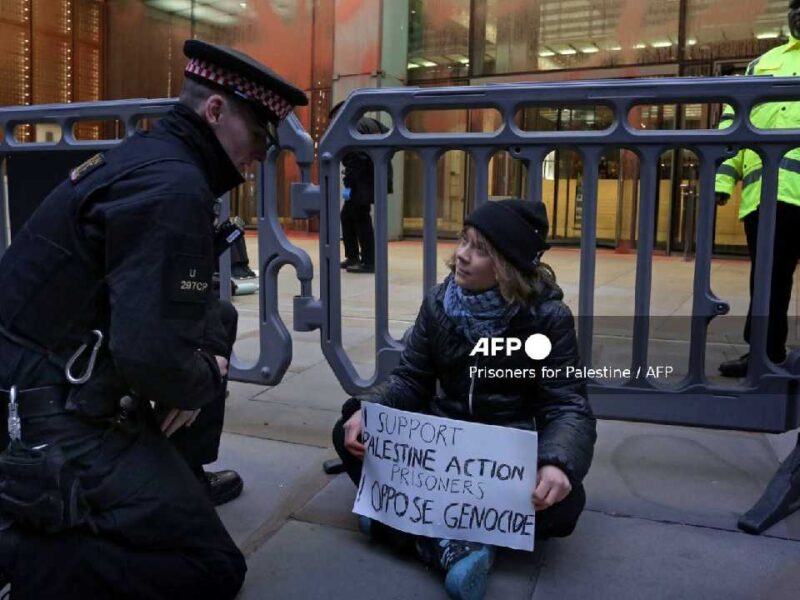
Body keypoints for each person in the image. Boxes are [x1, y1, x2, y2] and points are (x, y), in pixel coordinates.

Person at [0, 39, 307, 598]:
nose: (261, 156)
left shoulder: (152, 158)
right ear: (214, 111)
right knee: (210, 566)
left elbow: (180, 308)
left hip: (55, 373)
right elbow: (152, 360)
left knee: (214, 319)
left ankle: (172, 481)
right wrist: (203, 378)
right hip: (48, 412)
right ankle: (20, 554)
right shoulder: (173, 187)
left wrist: (197, 363)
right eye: (259, 137)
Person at [331, 199, 597, 600]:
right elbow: (410, 378)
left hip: (503, 457)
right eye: (463, 241)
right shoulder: (439, 303)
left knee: (565, 504)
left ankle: (405, 527)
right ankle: (457, 541)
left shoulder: (547, 319)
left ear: (507, 265)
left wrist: (557, 463)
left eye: (480, 249)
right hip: (442, 448)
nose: (461, 256)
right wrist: (370, 409)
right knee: (348, 434)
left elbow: (567, 405)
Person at [716, 0, 800, 378]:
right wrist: (721, 178)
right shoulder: (763, 63)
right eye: (794, 7)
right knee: (768, 281)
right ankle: (765, 356)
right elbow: (733, 123)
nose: (797, 14)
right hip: (768, 196)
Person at [330, 101, 393, 274]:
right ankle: (353, 256)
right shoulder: (370, 122)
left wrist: (350, 181)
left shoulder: (349, 125)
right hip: (375, 176)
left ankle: (368, 261)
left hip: (361, 180)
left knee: (360, 217)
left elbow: (355, 158)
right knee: (348, 215)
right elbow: (391, 136)